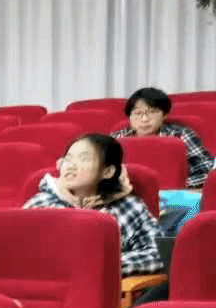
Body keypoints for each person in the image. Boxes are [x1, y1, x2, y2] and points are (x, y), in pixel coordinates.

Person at [24, 134, 162, 277]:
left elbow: (158, 253)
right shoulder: (40, 205)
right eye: (68, 159)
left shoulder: (128, 207)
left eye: (83, 159)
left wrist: (102, 265)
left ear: (107, 172)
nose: (71, 165)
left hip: (108, 288)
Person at [112, 87, 214, 190]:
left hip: (176, 193)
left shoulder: (180, 135)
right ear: (129, 117)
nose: (145, 119)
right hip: (128, 192)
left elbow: (205, 168)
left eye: (152, 112)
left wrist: (180, 185)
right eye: (138, 113)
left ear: (164, 115)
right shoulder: (116, 139)